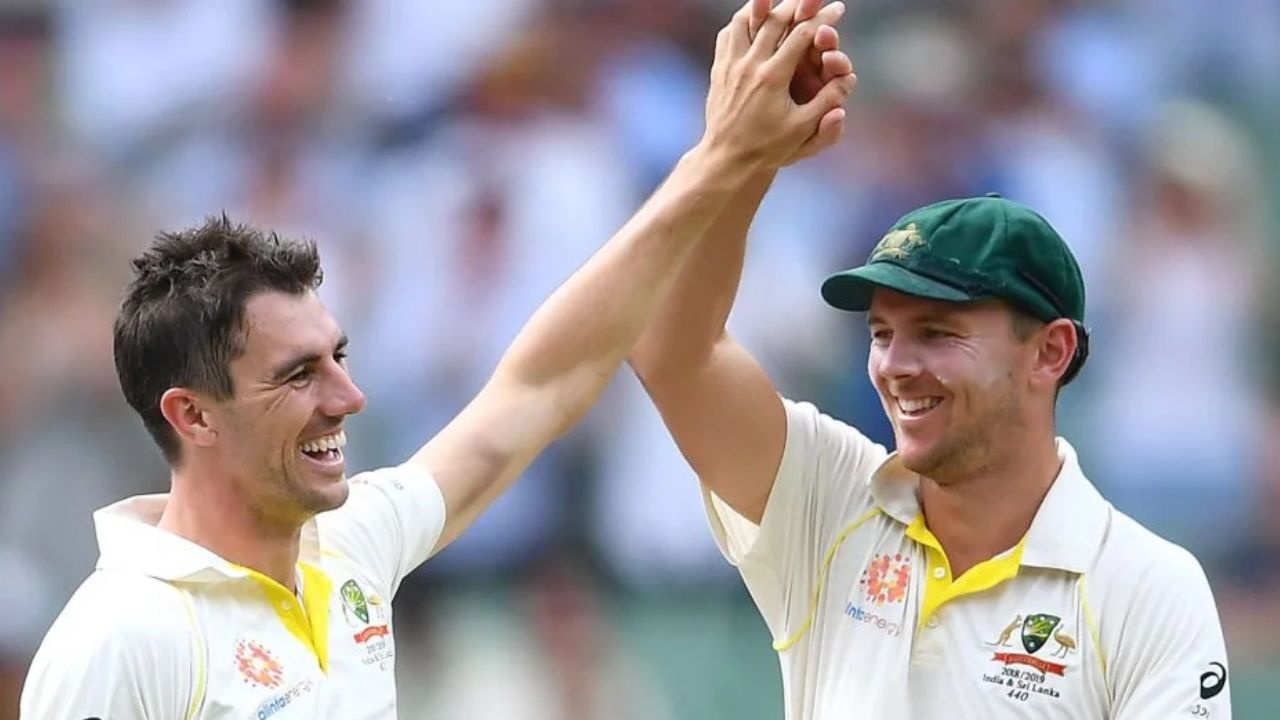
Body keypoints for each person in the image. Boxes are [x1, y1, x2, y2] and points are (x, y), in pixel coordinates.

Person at [18, 1, 856, 717]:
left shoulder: (351, 543)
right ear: (191, 413)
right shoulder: (117, 634)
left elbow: (542, 382)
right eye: (297, 374)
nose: (348, 396)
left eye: (336, 357)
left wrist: (723, 158)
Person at [630, 182, 1233, 713]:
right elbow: (672, 353)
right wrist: (743, 157)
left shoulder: (1148, 586)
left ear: (1049, 352)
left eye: (936, 334)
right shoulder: (831, 499)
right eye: (881, 334)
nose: (894, 366)